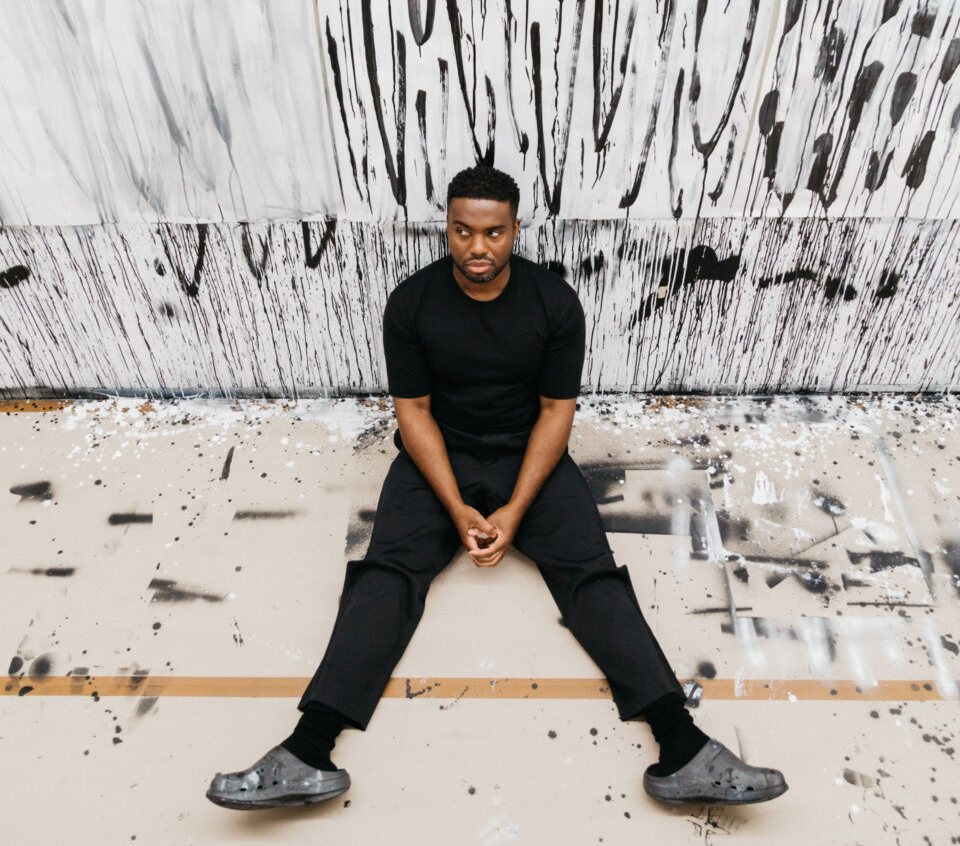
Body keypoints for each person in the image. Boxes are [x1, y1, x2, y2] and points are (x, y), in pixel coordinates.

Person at [206, 167, 787, 811]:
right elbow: (414, 412)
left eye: (493, 232)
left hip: (526, 453)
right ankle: (307, 752)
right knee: (387, 575)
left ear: (514, 230)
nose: (477, 247)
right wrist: (456, 507)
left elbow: (556, 413)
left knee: (591, 575)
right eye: (462, 231)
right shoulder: (411, 304)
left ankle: (682, 749)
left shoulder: (554, 304)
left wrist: (514, 509)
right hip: (439, 455)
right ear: (447, 228)